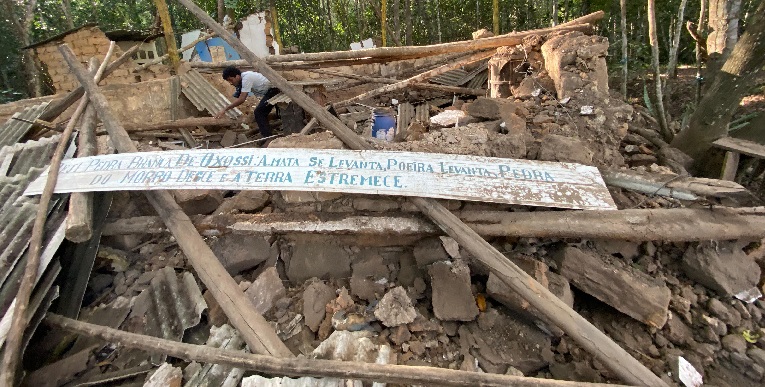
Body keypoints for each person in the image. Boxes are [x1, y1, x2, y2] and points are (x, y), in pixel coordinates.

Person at [215, 66, 280, 137]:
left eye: (231, 80)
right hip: (271, 91)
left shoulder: (246, 78)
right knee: (266, 111)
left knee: (259, 113)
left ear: (237, 76)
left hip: (274, 90)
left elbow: (242, 99)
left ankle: (268, 137)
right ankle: (270, 133)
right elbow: (237, 96)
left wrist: (225, 109)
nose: (231, 83)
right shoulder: (242, 79)